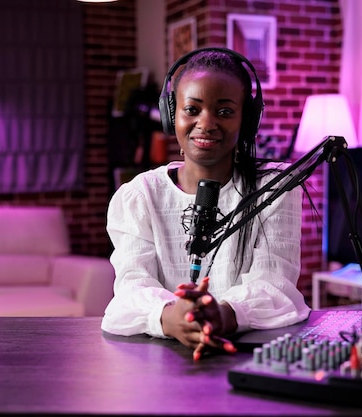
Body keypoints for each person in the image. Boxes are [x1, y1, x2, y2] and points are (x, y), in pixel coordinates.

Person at [101, 47, 310, 360]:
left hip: (245, 356)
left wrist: (223, 314)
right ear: (172, 115)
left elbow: (274, 285)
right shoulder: (140, 195)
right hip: (160, 361)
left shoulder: (273, 188)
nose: (206, 123)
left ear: (247, 119)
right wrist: (172, 316)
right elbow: (132, 286)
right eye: (192, 109)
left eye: (224, 111)